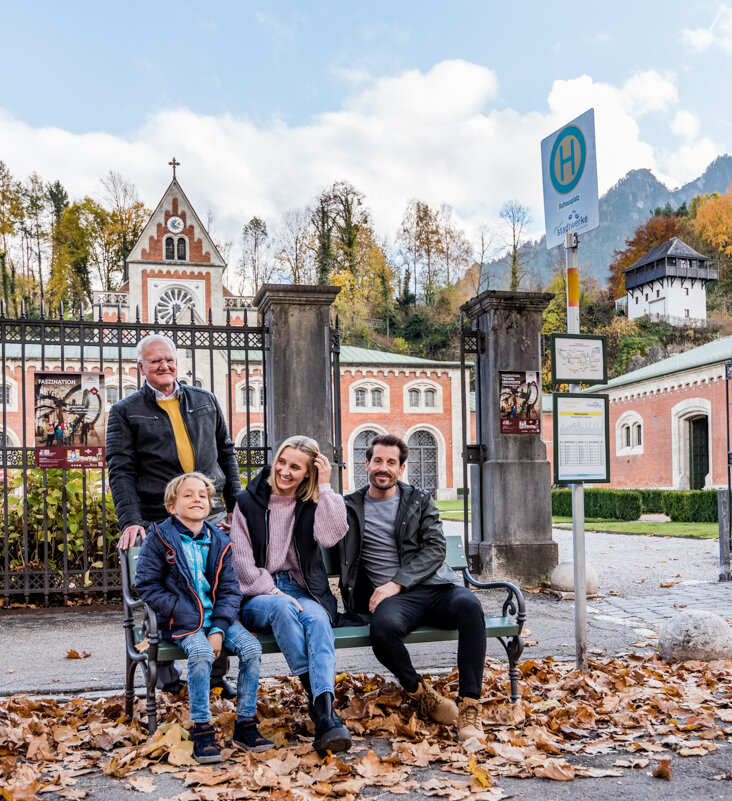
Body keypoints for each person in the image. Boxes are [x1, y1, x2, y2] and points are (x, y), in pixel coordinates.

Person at [106, 333, 241, 697]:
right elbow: (120, 470)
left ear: (176, 362)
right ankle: (166, 675)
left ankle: (215, 675)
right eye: (155, 362)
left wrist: (237, 504)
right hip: (156, 515)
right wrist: (131, 520)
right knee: (166, 590)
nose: (164, 366)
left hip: (208, 513)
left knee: (212, 586)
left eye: (169, 359)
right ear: (141, 368)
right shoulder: (125, 411)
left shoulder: (205, 400)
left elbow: (226, 453)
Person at [340, 433, 487, 742]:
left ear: (401, 468)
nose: (384, 468)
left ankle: (471, 705)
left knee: (471, 607)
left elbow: (435, 549)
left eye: (391, 462)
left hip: (433, 587)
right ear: (366, 464)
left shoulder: (419, 500)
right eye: (377, 460)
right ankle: (423, 695)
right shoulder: (350, 506)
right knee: (381, 631)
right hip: (393, 601)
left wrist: (397, 582)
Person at [134, 472, 273, 763]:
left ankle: (246, 723)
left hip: (218, 618)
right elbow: (147, 586)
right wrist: (182, 610)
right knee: (200, 653)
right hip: (181, 620)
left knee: (252, 649)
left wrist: (220, 627)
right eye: (188, 495)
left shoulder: (220, 540)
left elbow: (230, 590)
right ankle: (202, 726)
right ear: (172, 506)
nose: (197, 499)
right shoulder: (159, 538)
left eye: (203, 495)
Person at [230, 436, 352, 756]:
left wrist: (325, 487)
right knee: (283, 607)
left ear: (308, 473)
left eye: (296, 467)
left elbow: (330, 536)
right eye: (282, 462)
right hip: (257, 593)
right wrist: (271, 590)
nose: (284, 471)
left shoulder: (310, 503)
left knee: (318, 619)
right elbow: (241, 564)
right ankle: (324, 713)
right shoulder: (246, 502)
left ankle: (324, 714)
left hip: (302, 588)